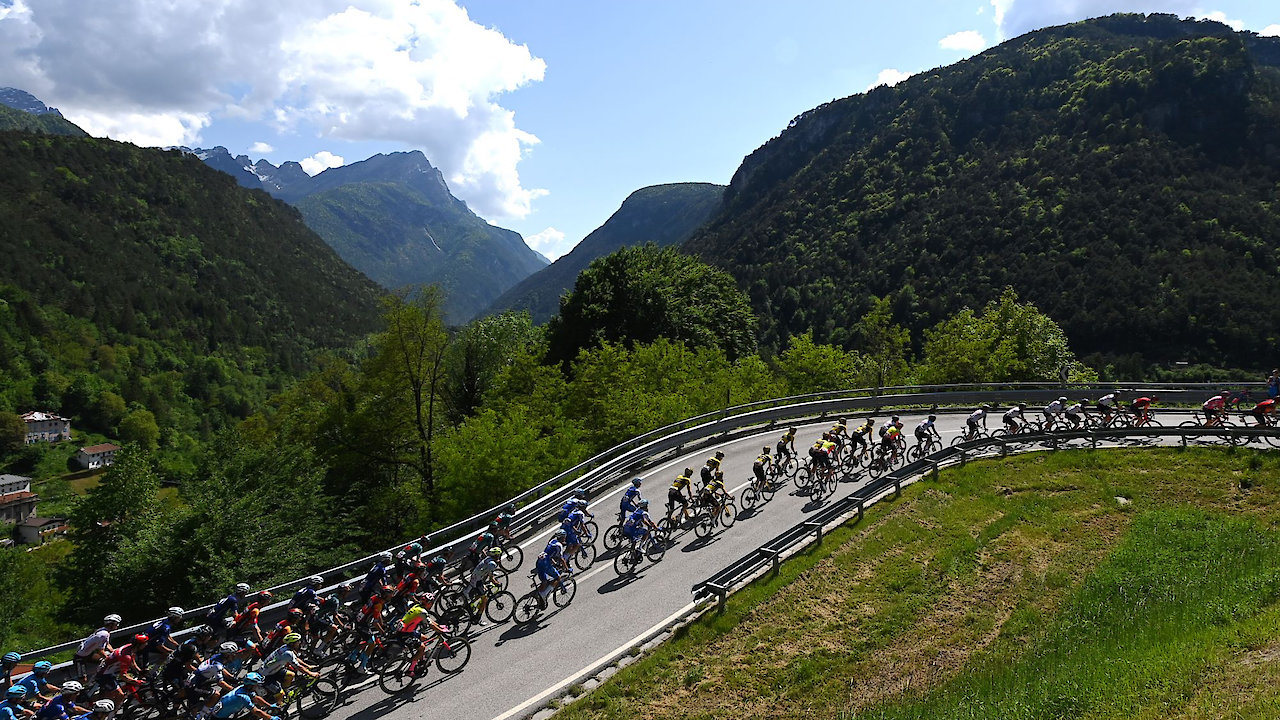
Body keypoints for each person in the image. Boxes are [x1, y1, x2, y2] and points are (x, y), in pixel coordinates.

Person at [94, 634, 146, 708]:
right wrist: (137, 682)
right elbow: (123, 676)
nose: (146, 644)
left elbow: (132, 661)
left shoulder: (129, 647)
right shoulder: (126, 657)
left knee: (109, 695)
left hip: (109, 671)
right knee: (120, 695)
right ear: (138, 645)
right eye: (144, 643)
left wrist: (139, 671)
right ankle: (109, 716)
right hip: (104, 674)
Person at [205, 673, 277, 720]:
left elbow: (256, 699)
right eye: (256, 685)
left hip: (216, 714)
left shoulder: (242, 687)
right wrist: (271, 718)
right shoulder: (243, 697)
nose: (257, 686)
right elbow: (257, 712)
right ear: (251, 685)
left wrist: (269, 706)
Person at [71, 615, 118, 682]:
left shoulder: (103, 631)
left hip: (89, 654)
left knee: (102, 662)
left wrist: (114, 652)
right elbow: (100, 651)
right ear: (111, 624)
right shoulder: (103, 634)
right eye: (116, 624)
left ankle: (95, 680)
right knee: (83, 680)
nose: (117, 626)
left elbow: (107, 644)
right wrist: (108, 659)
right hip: (80, 657)